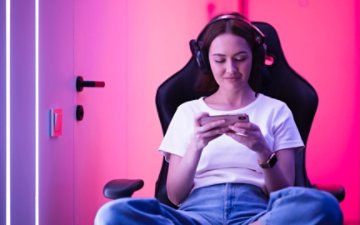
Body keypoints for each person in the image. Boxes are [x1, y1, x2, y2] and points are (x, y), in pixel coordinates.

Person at [95, 12, 343, 225]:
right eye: (220, 60)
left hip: (258, 214)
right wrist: (196, 146)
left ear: (255, 58)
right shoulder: (186, 112)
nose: (231, 70)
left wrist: (263, 151)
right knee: (112, 214)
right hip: (195, 216)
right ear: (205, 61)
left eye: (240, 59)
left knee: (323, 206)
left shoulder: (277, 111)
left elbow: (284, 192)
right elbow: (175, 196)